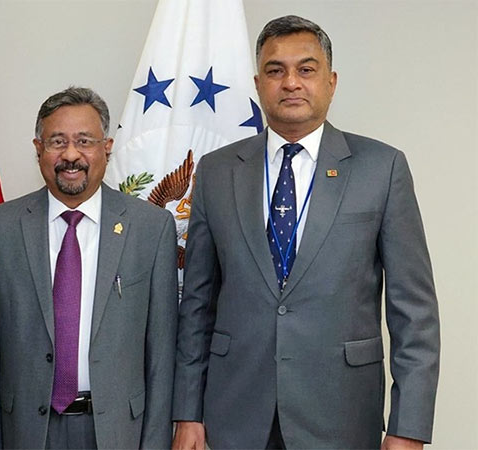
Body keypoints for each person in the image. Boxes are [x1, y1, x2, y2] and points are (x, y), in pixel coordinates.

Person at [171, 15, 440, 450]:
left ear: (331, 82)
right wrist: (187, 413)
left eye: (306, 69)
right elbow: (198, 304)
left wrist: (407, 427)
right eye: (276, 71)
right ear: (258, 84)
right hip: (233, 415)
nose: (291, 82)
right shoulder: (218, 171)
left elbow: (416, 314)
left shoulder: (382, 168)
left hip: (341, 415)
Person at [0, 87, 178, 449]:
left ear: (106, 147)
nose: (70, 155)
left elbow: (161, 356)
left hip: (116, 433)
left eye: (84, 141)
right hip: (28, 432)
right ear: (38, 149)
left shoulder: (151, 228)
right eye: (57, 142)